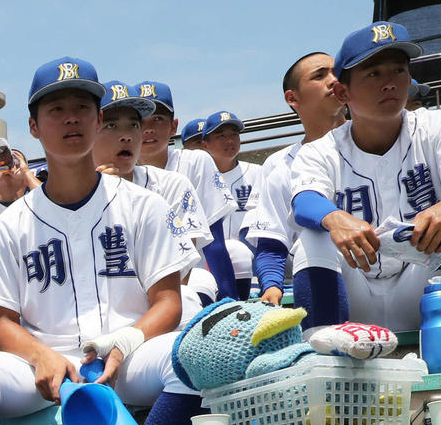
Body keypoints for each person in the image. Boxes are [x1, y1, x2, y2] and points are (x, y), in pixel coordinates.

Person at [0, 57, 204, 425]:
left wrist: (126, 342)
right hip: (43, 369)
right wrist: (40, 356)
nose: (71, 118)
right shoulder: (9, 225)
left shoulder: (145, 205)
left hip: (130, 357)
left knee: (199, 355)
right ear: (34, 126)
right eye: (57, 109)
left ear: (98, 118)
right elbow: (1, 323)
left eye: (82, 107)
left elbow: (169, 302)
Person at [290, 22, 441, 369]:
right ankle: (323, 364)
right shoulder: (320, 150)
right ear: (342, 92)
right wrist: (334, 218)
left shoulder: (438, 123)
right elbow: (304, 201)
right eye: (373, 73)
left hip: (428, 288)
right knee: (313, 237)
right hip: (355, 298)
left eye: (398, 70)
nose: (390, 82)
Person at [92, 82, 217, 314]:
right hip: (93, 305)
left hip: (159, 299)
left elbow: (181, 275)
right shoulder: (75, 194)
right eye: (111, 125)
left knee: (193, 292)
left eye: (133, 125)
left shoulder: (172, 184)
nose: (126, 136)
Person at [243, 51, 347, 306]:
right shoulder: (279, 165)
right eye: (319, 76)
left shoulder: (379, 138)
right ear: (292, 98)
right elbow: (271, 241)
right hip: (329, 279)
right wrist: (271, 286)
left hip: (399, 269)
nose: (333, 80)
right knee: (314, 238)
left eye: (337, 73)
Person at [135, 81, 240, 300]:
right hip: (135, 277)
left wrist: (230, 301)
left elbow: (215, 241)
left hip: (191, 274)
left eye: (158, 119)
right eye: (141, 120)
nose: (149, 128)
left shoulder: (195, 161)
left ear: (173, 126)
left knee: (201, 282)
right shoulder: (116, 172)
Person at [200, 111, 263, 300]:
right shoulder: (198, 178)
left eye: (234, 134)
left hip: (251, 256)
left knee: (239, 251)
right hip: (209, 259)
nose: (229, 141)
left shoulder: (257, 173)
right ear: (205, 145)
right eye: (221, 136)